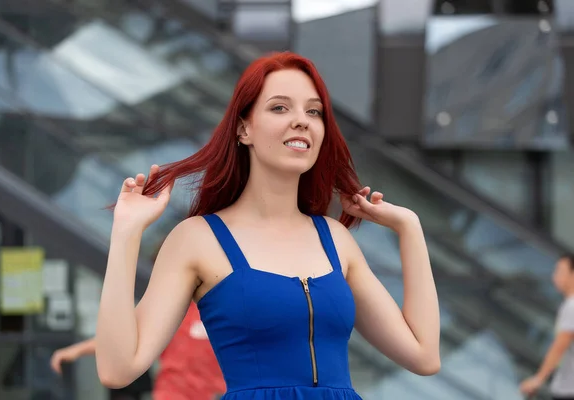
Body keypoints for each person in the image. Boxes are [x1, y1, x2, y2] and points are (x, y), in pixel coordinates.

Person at [95, 51, 441, 400]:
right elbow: (117, 369)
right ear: (244, 128)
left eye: (313, 111)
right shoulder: (197, 239)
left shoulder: (335, 240)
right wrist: (126, 233)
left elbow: (424, 355)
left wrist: (409, 228)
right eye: (280, 107)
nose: (302, 121)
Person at [50, 302, 225, 400]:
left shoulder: (224, 309)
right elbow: (124, 339)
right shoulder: (172, 311)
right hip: (174, 394)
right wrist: (77, 350)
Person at [520, 254, 574, 400]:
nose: (555, 277)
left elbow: (560, 346)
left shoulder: (571, 306)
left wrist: (538, 379)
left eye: (560, 271)